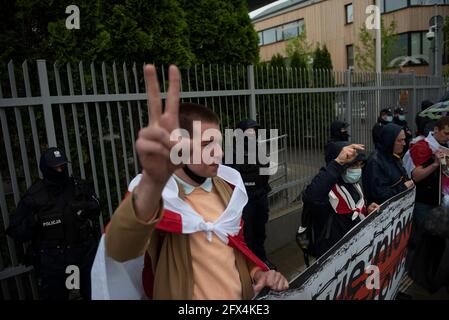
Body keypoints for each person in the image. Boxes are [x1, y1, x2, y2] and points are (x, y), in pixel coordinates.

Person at [92, 65, 289, 300]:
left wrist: (258, 273)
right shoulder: (161, 200)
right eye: (207, 144)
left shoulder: (228, 188)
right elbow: (120, 249)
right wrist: (152, 185)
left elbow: (235, 248)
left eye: (218, 143)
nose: (220, 154)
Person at [6, 147, 100, 300]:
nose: (60, 169)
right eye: (55, 167)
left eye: (62, 165)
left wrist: (86, 207)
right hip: (53, 263)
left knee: (96, 294)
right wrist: (35, 221)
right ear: (46, 168)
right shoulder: (34, 196)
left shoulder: (78, 186)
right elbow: (15, 230)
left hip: (83, 256)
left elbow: (96, 208)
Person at [301, 142, 379, 258]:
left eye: (359, 165)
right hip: (333, 259)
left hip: (356, 252)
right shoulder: (326, 192)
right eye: (352, 165)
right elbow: (311, 197)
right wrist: (338, 163)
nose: (358, 170)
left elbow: (351, 215)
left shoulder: (353, 184)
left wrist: (367, 211)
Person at [230, 119, 275, 269]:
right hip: (245, 199)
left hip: (260, 196)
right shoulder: (233, 151)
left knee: (260, 231)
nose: (252, 134)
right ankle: (250, 266)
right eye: (249, 131)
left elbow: (266, 168)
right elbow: (231, 176)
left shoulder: (258, 148)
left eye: (254, 131)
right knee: (247, 233)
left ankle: (262, 259)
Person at [408, 116, 449, 225]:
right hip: (424, 201)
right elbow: (416, 176)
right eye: (446, 133)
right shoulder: (422, 146)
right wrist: (435, 164)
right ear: (436, 130)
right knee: (424, 235)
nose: (448, 137)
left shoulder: (445, 145)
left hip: (440, 199)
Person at [363, 123, 415, 205]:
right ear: (389, 140)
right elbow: (378, 194)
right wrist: (403, 188)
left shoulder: (392, 156)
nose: (404, 143)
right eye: (400, 140)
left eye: (404, 139)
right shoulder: (375, 162)